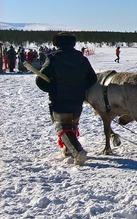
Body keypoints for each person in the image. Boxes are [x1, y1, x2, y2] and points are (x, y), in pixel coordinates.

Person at [35, 32, 97, 165]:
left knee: (63, 127)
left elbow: (40, 80)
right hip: (77, 99)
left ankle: (78, 152)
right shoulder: (81, 58)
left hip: (60, 99)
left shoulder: (53, 58)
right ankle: (68, 149)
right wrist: (80, 88)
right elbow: (92, 78)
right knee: (72, 125)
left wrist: (52, 88)